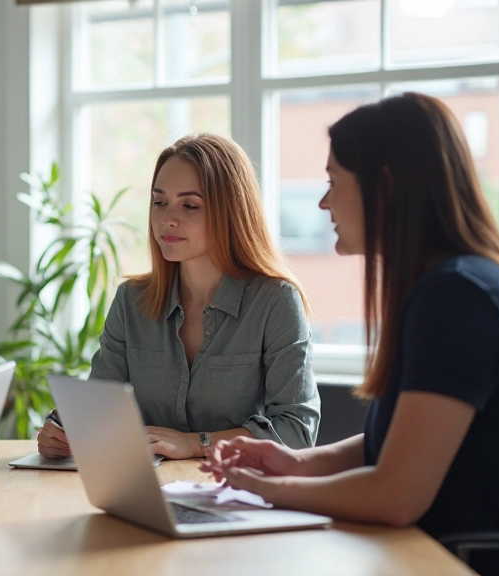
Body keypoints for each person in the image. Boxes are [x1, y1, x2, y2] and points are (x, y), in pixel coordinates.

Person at [203, 93, 499, 576]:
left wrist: (266, 491)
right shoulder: (452, 285)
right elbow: (392, 443)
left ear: (384, 188)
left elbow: (397, 495)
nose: (324, 201)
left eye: (333, 182)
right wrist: (296, 464)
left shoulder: (456, 297)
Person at [38, 133, 321, 460]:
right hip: (142, 492)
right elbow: (100, 406)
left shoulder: (275, 302)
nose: (167, 219)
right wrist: (60, 429)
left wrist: (196, 443)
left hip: (237, 494)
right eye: (160, 202)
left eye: (190, 205)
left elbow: (297, 432)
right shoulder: (130, 301)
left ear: (230, 212)